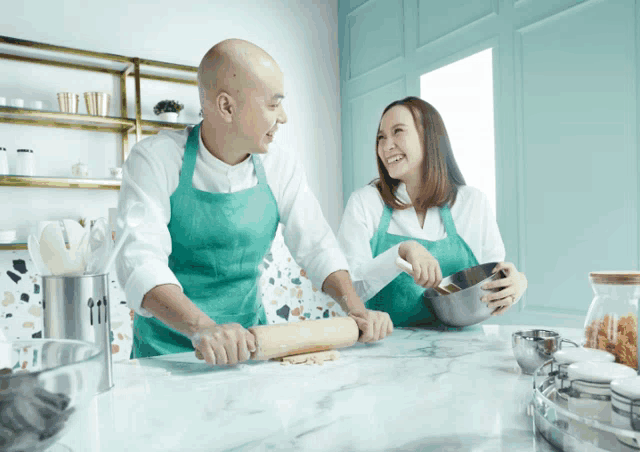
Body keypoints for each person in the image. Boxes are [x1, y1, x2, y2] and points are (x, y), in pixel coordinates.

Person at [115, 39, 393, 365]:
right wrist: (202, 328)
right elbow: (140, 260)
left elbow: (318, 245)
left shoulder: (281, 165)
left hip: (250, 347)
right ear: (226, 107)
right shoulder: (154, 160)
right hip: (167, 356)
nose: (284, 117)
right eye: (274, 105)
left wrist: (356, 310)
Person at [337, 96, 527, 327]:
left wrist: (516, 284)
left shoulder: (472, 203)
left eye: (398, 131)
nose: (386, 146)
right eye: (381, 137)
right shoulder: (365, 203)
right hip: (385, 350)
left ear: (429, 139)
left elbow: (492, 280)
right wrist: (402, 252)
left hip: (462, 352)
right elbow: (351, 290)